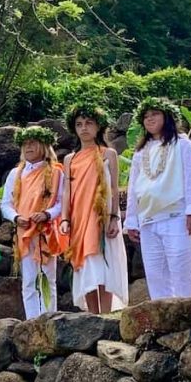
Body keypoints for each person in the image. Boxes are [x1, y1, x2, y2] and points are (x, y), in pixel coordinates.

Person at [125, 97, 191, 300]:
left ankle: (190, 316)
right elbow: (133, 189)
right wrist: (131, 220)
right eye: (145, 116)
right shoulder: (140, 153)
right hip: (148, 220)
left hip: (177, 216)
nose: (149, 119)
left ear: (168, 117)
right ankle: (162, 323)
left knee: (182, 272)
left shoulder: (184, 145)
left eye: (154, 114)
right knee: (156, 276)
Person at [60, 104, 128, 313]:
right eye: (79, 124)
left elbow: (114, 189)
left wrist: (115, 217)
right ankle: (92, 314)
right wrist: (64, 219)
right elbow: (67, 192)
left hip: (102, 217)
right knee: (86, 267)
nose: (84, 128)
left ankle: (106, 314)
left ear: (99, 127)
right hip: (79, 219)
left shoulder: (108, 154)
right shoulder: (70, 159)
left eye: (89, 123)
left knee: (103, 266)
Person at [0, 126, 68, 318]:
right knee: (29, 280)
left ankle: (49, 318)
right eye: (25, 144)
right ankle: (31, 320)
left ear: (44, 146)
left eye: (33, 143)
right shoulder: (16, 174)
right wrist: (16, 217)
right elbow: (6, 204)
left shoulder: (55, 172)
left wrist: (46, 214)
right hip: (24, 232)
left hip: (46, 231)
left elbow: (62, 203)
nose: (28, 147)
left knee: (48, 277)